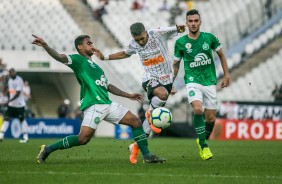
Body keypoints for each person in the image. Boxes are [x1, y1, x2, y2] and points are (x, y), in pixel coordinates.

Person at [32, 34, 165, 164]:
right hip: (94, 104)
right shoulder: (78, 60)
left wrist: (129, 95)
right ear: (80, 47)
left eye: (92, 43)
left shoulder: (97, 67)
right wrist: (46, 46)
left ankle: (147, 156)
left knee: (135, 121)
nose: (92, 45)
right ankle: (48, 149)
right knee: (83, 139)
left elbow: (108, 86)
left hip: (107, 103)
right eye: (88, 43)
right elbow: (59, 57)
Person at [96, 22, 185, 164]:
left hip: (166, 79)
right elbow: (125, 54)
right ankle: (151, 113)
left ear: (146, 32)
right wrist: (104, 57)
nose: (140, 42)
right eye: (137, 40)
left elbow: (178, 28)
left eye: (142, 38)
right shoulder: (134, 44)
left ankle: (135, 147)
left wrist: (180, 28)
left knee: (148, 127)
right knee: (162, 95)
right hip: (149, 78)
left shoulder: (159, 33)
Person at [173, 9, 230, 160]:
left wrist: (227, 75)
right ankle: (204, 146)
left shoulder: (209, 38)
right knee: (198, 109)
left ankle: (201, 139)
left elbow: (222, 56)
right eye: (190, 21)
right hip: (192, 80)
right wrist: (170, 84)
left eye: (195, 21)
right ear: (186, 23)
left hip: (209, 80)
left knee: (211, 118)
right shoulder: (180, 42)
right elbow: (176, 65)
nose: (193, 24)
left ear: (200, 22)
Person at [0, 68, 29, 143]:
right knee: (6, 118)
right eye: (11, 73)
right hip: (11, 105)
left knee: (22, 119)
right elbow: (12, 91)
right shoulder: (10, 80)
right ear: (9, 74)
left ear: (15, 73)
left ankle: (25, 137)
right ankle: (1, 135)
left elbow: (18, 93)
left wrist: (9, 100)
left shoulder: (19, 80)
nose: (12, 74)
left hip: (19, 105)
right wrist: (5, 93)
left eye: (13, 72)